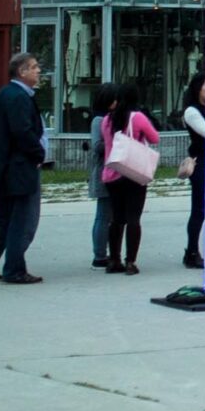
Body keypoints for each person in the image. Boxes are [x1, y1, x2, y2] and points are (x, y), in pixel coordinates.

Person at [0, 53, 48, 284]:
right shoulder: (18, 98)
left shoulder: (3, 94)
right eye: (34, 67)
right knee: (20, 221)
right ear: (21, 72)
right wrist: (38, 152)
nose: (38, 71)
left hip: (1, 167)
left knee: (4, 219)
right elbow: (22, 132)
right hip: (19, 169)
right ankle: (14, 269)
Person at [101, 86, 158, 274]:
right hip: (133, 173)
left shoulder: (107, 120)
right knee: (134, 218)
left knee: (116, 218)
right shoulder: (138, 118)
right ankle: (131, 262)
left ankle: (113, 260)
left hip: (112, 173)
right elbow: (154, 138)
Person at [85, 82, 120, 270]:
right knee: (103, 215)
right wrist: (116, 141)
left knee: (111, 215)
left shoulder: (113, 118)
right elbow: (97, 146)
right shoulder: (99, 120)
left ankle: (108, 252)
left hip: (115, 171)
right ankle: (99, 255)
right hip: (103, 173)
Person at [178, 72, 205, 270]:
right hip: (201, 162)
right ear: (197, 89)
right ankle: (191, 251)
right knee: (199, 208)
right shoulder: (192, 111)